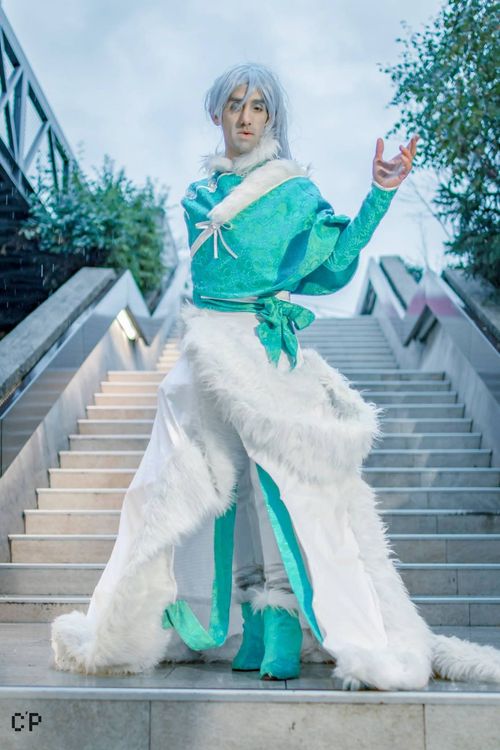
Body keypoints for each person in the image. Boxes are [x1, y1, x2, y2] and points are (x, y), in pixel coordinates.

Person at [51, 62, 500, 690]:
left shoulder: (293, 191)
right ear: (217, 113)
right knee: (214, 489)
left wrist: (379, 194)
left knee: (278, 487)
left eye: (258, 105)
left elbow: (335, 262)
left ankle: (283, 619)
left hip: (263, 352)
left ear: (272, 118)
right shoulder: (198, 196)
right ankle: (250, 621)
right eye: (235, 103)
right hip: (205, 353)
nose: (246, 116)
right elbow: (218, 277)